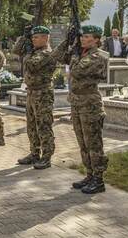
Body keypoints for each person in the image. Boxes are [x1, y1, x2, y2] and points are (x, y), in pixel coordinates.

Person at [55, 25, 109, 194]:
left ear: (96, 40)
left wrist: (75, 51)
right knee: (83, 143)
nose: (83, 39)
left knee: (93, 143)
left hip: (90, 105)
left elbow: (77, 71)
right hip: (77, 104)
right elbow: (56, 56)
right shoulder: (80, 52)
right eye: (82, 37)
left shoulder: (99, 56)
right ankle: (90, 174)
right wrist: (68, 40)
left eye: (87, 37)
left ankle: (99, 180)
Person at [12, 26, 57, 169]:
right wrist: (24, 38)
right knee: (31, 125)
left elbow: (31, 65)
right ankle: (34, 153)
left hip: (43, 93)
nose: (33, 39)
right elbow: (16, 51)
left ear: (45, 38)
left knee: (43, 125)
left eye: (36, 37)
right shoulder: (34, 52)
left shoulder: (47, 53)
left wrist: (28, 52)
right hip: (31, 92)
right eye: (32, 37)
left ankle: (46, 156)